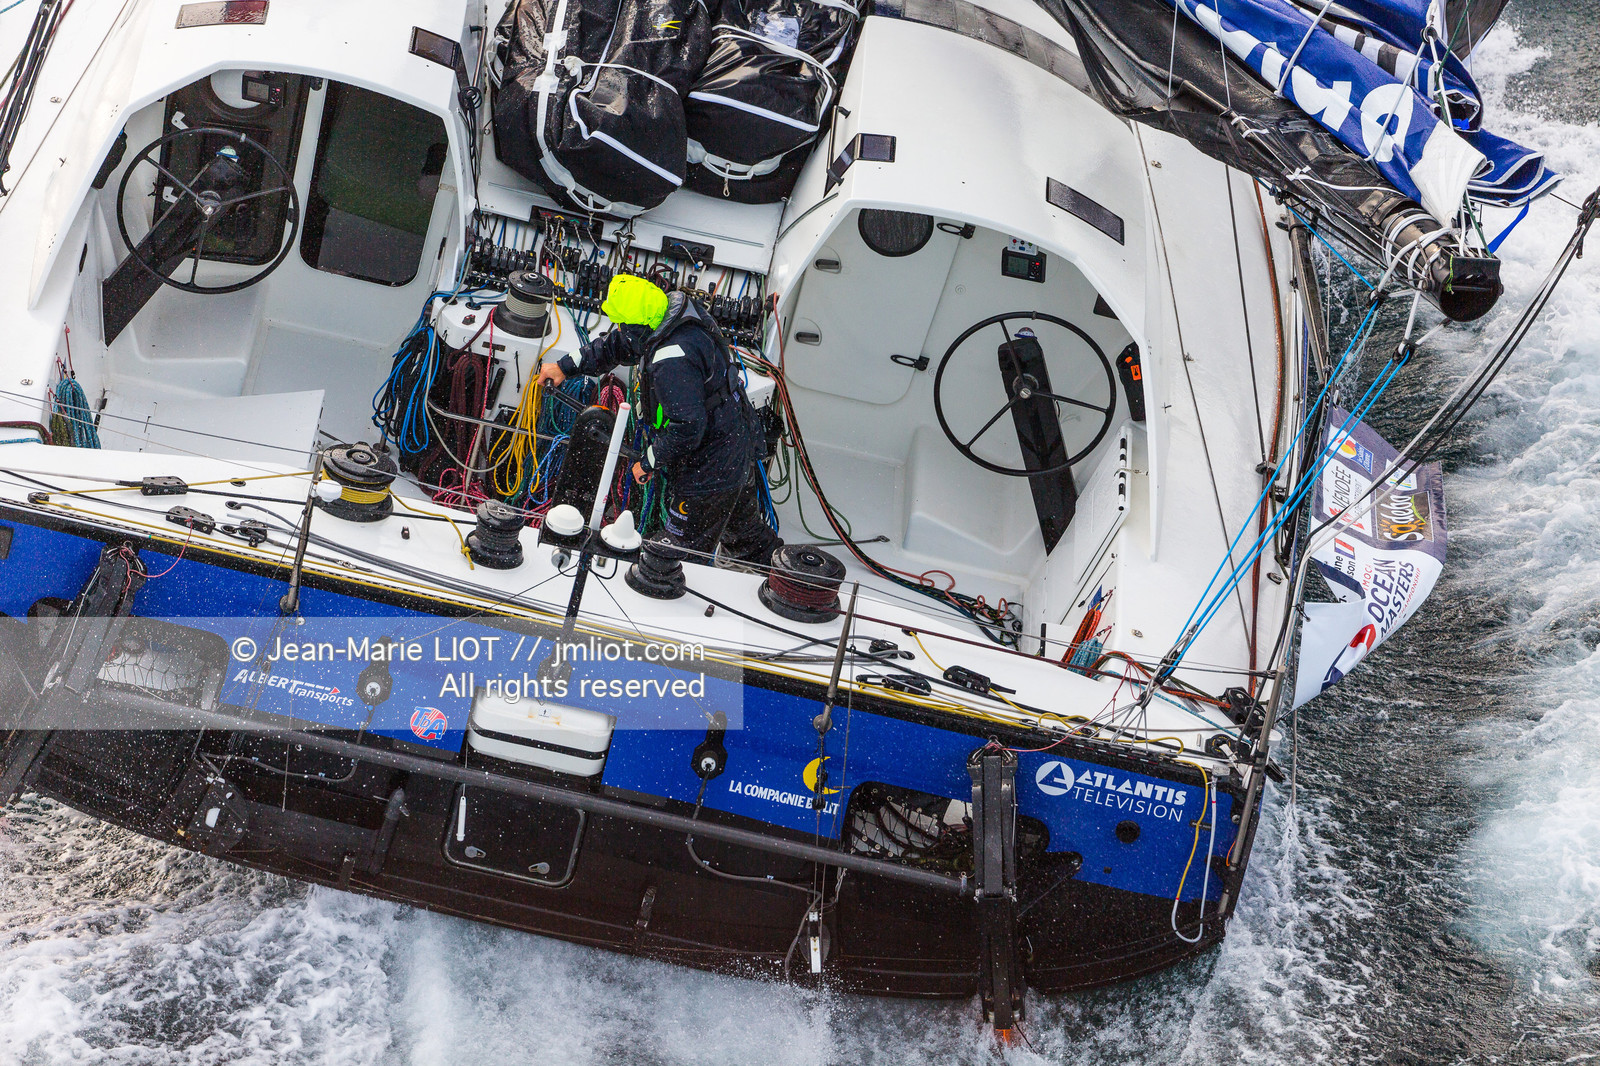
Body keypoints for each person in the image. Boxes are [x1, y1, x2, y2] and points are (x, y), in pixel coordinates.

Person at [536, 273, 780, 570]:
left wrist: (649, 462)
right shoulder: (668, 316)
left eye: (623, 324)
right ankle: (784, 573)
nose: (620, 329)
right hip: (733, 445)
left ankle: (687, 590)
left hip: (710, 467)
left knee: (677, 556)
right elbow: (616, 345)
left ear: (639, 326)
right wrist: (565, 367)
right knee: (746, 534)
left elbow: (688, 427)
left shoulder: (672, 360)